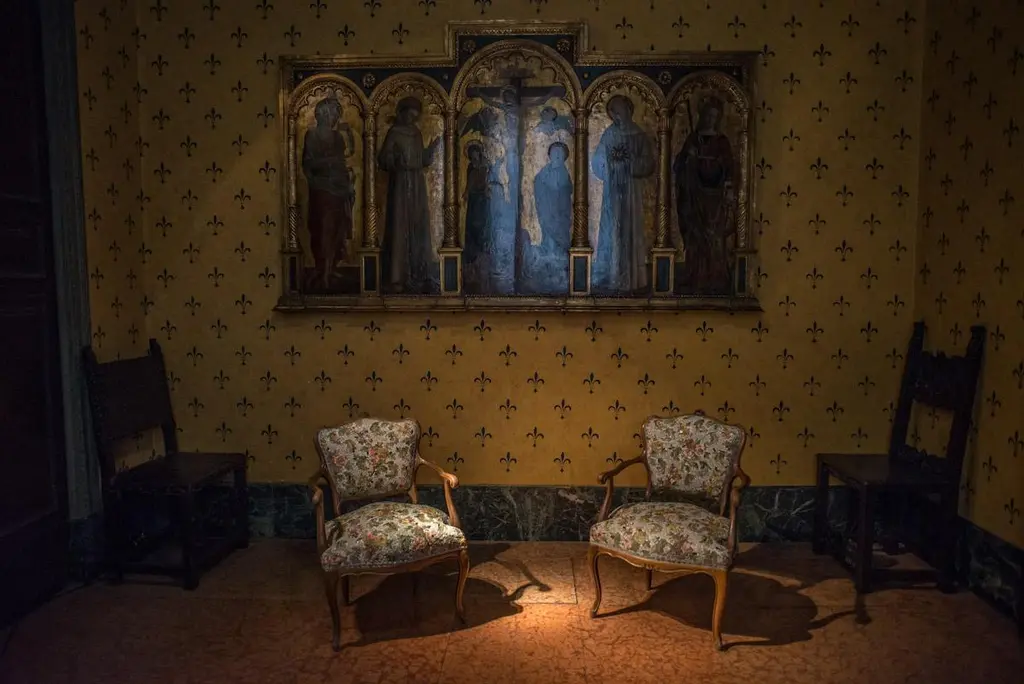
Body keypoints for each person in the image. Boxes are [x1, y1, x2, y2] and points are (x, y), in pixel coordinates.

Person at [591, 95, 656, 293]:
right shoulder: (609, 134)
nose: (617, 117)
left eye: (619, 112)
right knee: (612, 228)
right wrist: (610, 165)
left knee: (630, 229)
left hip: (631, 191)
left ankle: (632, 278)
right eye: (613, 114)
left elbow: (648, 163)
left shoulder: (639, 135)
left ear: (629, 111)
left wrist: (630, 164)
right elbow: (597, 161)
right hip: (612, 190)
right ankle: (611, 274)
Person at [377, 96, 442, 294]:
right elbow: (383, 158)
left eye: (415, 116)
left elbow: (422, 160)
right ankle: (398, 276)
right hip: (400, 183)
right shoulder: (394, 132)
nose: (411, 119)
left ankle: (418, 272)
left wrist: (431, 150)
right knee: (399, 224)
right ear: (402, 112)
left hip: (417, 183)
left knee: (417, 224)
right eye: (409, 115)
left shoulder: (416, 132)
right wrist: (396, 160)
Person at [674, 94, 735, 294]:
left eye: (713, 116)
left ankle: (716, 277)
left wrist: (723, 178)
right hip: (695, 195)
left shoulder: (722, 141)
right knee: (696, 236)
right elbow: (678, 166)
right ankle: (695, 276)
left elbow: (729, 167)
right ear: (702, 116)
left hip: (714, 196)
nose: (710, 119)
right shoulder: (693, 139)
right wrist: (688, 157)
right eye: (707, 115)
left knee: (714, 237)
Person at [301, 96, 355, 290]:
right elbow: (308, 164)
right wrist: (330, 162)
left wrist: (348, 133)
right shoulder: (312, 135)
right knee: (324, 229)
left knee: (337, 230)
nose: (335, 118)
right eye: (333, 114)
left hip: (339, 187)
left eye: (337, 115)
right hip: (323, 188)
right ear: (323, 114)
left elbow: (347, 155)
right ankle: (322, 271)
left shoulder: (337, 137)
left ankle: (331, 268)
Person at [527, 141, 572, 293]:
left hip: (560, 213)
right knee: (548, 234)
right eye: (554, 152)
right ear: (549, 155)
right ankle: (549, 258)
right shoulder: (544, 172)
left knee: (560, 237)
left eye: (560, 153)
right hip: (547, 210)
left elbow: (566, 190)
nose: (557, 155)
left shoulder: (564, 172)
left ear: (564, 157)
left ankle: (559, 261)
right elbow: (538, 182)